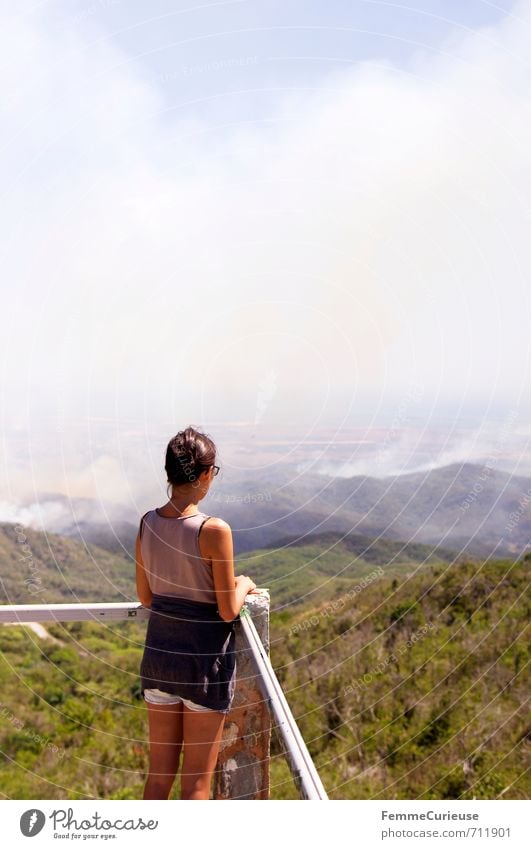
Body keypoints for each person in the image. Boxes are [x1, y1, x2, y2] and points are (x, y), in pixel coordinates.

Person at [135, 425, 258, 800]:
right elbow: (226, 611)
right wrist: (243, 583)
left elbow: (146, 597)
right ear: (206, 474)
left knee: (158, 779)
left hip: (159, 659)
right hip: (203, 667)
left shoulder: (148, 523)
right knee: (197, 784)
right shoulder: (213, 530)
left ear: (169, 472)